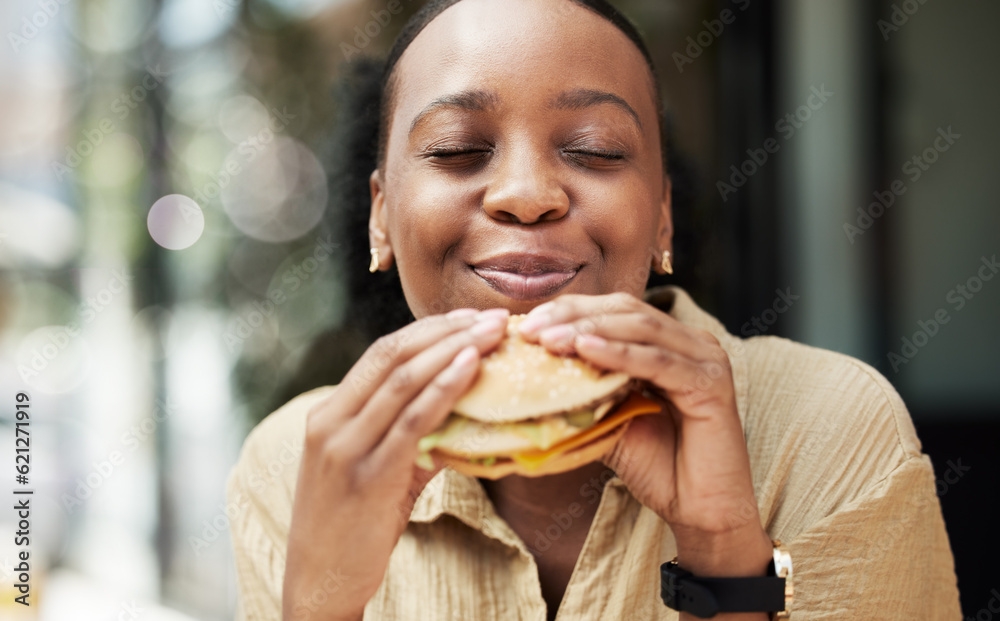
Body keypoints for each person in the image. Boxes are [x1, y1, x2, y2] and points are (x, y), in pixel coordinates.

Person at [227, 0, 961, 619]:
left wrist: (723, 549)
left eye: (596, 149)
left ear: (663, 214)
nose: (526, 193)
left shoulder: (827, 422)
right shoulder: (291, 463)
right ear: (380, 216)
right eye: (455, 150)